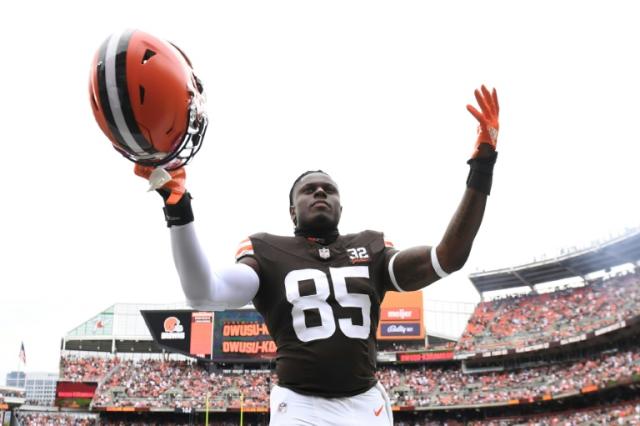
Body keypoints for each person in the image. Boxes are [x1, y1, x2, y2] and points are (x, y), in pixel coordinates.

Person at [135, 85, 500, 425]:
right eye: (309, 189)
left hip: (366, 404)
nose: (320, 192)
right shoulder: (268, 249)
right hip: (300, 406)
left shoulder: (371, 248)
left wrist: (482, 167)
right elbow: (203, 293)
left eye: (329, 189)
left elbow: (448, 257)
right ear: (292, 210)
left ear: (341, 205)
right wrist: (179, 210)